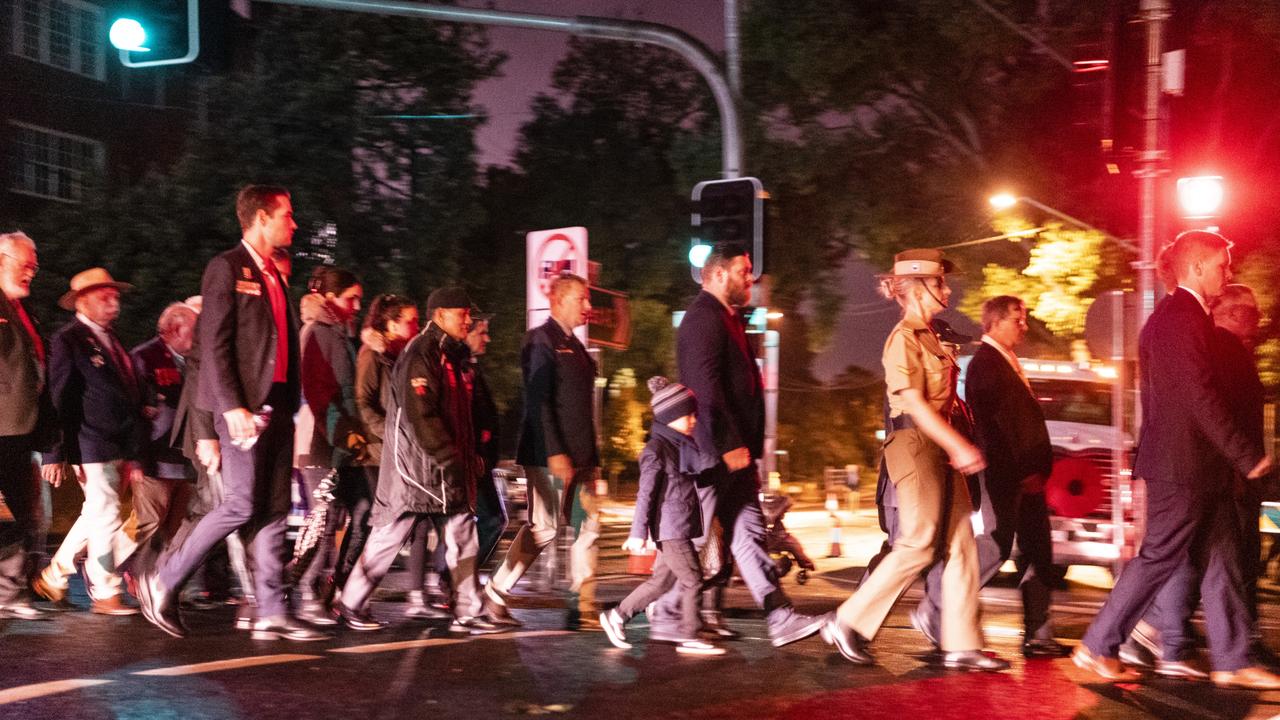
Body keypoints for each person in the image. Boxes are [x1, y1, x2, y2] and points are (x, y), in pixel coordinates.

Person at [1073, 231, 1277, 689]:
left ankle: (1233, 660)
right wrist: (1246, 456)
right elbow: (1198, 397)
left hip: (1201, 469)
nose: (1228, 273)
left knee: (1223, 559)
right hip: (1180, 469)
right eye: (1223, 265)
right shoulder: (1179, 319)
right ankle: (1098, 645)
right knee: (1159, 557)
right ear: (1197, 267)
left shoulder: (1187, 318)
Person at [136, 184, 329, 641]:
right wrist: (231, 407)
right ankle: (159, 578)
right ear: (262, 217)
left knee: (275, 508)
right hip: (242, 409)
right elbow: (213, 346)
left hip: (279, 405)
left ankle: (272, 609)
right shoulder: (226, 268)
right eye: (287, 214)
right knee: (240, 503)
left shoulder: (274, 276)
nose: (294, 223)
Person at [821, 248, 1007, 671]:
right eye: (940, 282)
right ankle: (847, 621)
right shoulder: (902, 339)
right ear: (919, 287)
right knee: (919, 543)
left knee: (961, 544)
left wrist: (955, 444)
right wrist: (959, 446)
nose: (947, 289)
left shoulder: (929, 338)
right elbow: (915, 405)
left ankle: (961, 643)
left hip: (940, 446)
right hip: (917, 445)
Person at [649, 243, 822, 647]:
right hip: (712, 454)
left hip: (736, 454)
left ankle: (779, 615)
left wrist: (749, 450)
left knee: (749, 535)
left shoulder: (729, 320)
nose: (751, 278)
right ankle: (670, 614)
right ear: (719, 273)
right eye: (744, 271)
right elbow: (703, 389)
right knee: (693, 537)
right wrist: (726, 445)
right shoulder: (701, 319)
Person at [1119, 283, 1274, 677]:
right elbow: (1213, 412)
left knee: (1205, 561)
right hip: (1209, 473)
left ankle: (1206, 650)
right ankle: (1135, 635)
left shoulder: (1212, 345)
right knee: (1178, 558)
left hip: (1209, 472)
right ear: (1233, 314)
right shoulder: (1217, 346)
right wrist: (1244, 463)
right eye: (1252, 313)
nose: (1258, 322)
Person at [336, 287, 503, 635]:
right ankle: (351, 603)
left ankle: (468, 611)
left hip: (440, 468)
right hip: (416, 469)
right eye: (463, 314)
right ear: (440, 315)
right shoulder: (423, 352)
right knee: (388, 536)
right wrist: (449, 455)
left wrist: (466, 456)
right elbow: (419, 414)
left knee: (462, 532)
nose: (469, 320)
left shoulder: (449, 355)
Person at [909, 296, 1066, 659]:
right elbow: (997, 430)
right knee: (995, 545)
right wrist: (1023, 470)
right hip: (1007, 474)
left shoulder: (1006, 361)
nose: (1023, 325)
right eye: (1017, 318)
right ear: (994, 323)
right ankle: (934, 607)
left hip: (1026, 475)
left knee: (1038, 552)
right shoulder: (985, 364)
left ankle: (1039, 634)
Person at [482, 273, 602, 629]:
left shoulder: (577, 347)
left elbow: (583, 410)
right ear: (560, 299)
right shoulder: (540, 341)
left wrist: (592, 461)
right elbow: (539, 402)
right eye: (582, 298)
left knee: (588, 527)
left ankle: (582, 606)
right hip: (548, 455)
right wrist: (554, 452)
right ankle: (495, 593)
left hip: (581, 458)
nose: (589, 306)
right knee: (544, 529)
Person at [34, 268, 144, 616]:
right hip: (90, 441)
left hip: (115, 443)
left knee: (97, 512)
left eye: (115, 296)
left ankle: (55, 573)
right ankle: (104, 589)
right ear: (82, 301)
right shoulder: (69, 340)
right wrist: (54, 451)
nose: (113, 303)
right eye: (104, 297)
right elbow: (56, 397)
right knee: (107, 513)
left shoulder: (110, 339)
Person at [600, 377, 723, 656]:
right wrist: (637, 533)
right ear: (671, 416)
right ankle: (689, 635)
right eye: (688, 414)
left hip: (678, 527)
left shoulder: (678, 446)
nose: (694, 419)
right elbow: (646, 494)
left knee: (661, 582)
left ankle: (617, 615)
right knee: (693, 579)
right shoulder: (656, 450)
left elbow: (697, 477)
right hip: (671, 530)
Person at [355, 293, 447, 619]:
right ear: (391, 323)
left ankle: (417, 596)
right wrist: (391, 434)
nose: (416, 325)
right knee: (385, 527)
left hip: (402, 452)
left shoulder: (404, 356)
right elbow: (364, 404)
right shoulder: (373, 356)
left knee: (418, 522)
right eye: (409, 320)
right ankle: (353, 597)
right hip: (380, 453)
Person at [295, 266, 370, 625]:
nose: (356, 305)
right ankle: (306, 592)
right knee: (323, 519)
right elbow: (318, 392)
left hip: (340, 440)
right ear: (328, 298)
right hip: (320, 440)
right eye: (349, 298)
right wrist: (343, 431)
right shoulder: (318, 333)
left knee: (341, 516)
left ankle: (325, 592)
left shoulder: (339, 335)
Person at [0, 232, 54, 620]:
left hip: (20, 430)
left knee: (21, 514)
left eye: (34, 265)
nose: (32, 272)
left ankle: (10, 591)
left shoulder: (25, 311)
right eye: (25, 264)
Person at [130, 302, 199, 553]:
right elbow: (135, 412)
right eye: (195, 329)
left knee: (177, 529)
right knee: (147, 524)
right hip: (155, 459)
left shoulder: (196, 361)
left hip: (186, 459)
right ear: (174, 329)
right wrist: (136, 460)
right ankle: (116, 570)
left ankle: (158, 581)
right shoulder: (145, 357)